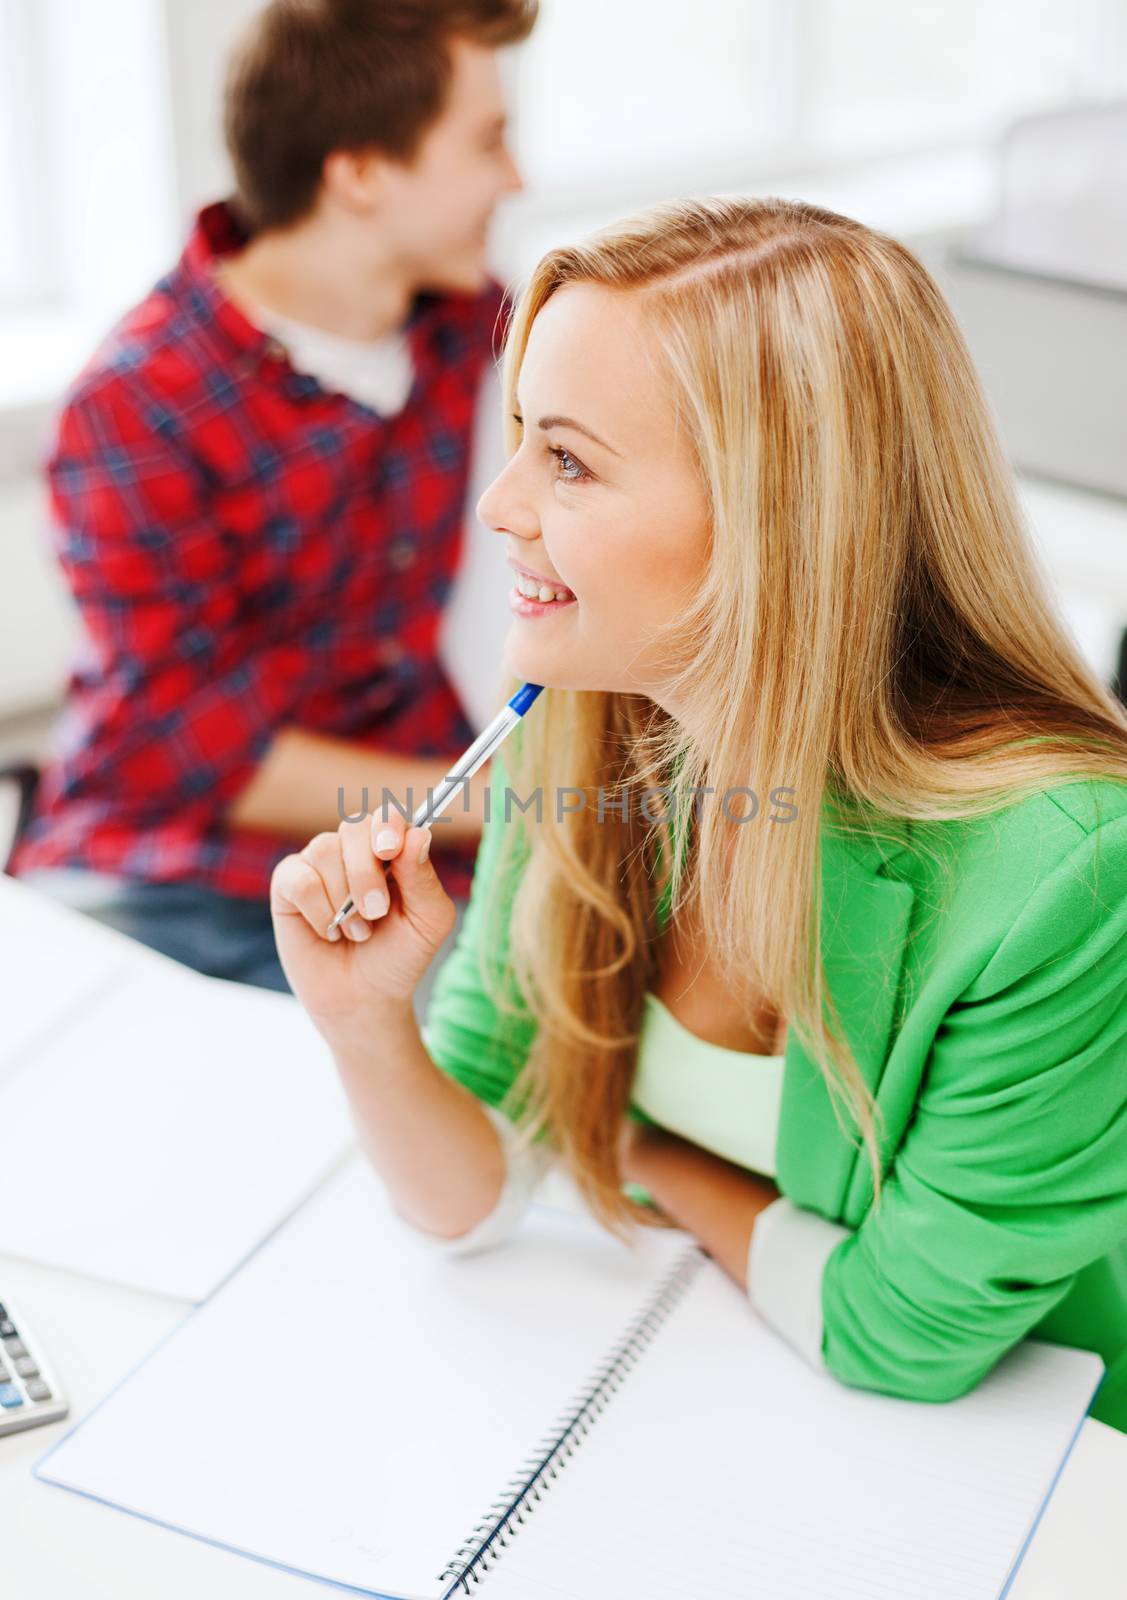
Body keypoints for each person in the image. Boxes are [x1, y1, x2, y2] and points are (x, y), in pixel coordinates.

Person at [268, 195, 1127, 1435]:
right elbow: (466, 1199)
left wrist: (643, 1153)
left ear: (775, 520)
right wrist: (362, 1026)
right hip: (744, 1393)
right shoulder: (580, 719)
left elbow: (904, 1335)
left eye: (564, 459)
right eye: (518, 439)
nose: (498, 505)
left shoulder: (1066, 873)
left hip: (1032, 1459)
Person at [10, 0, 537, 997]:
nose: (514, 180)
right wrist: (528, 798)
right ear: (361, 173)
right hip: (166, 864)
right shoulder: (137, 403)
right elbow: (202, 750)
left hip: (401, 854)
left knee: (532, 1045)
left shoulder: (477, 332)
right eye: (487, 141)